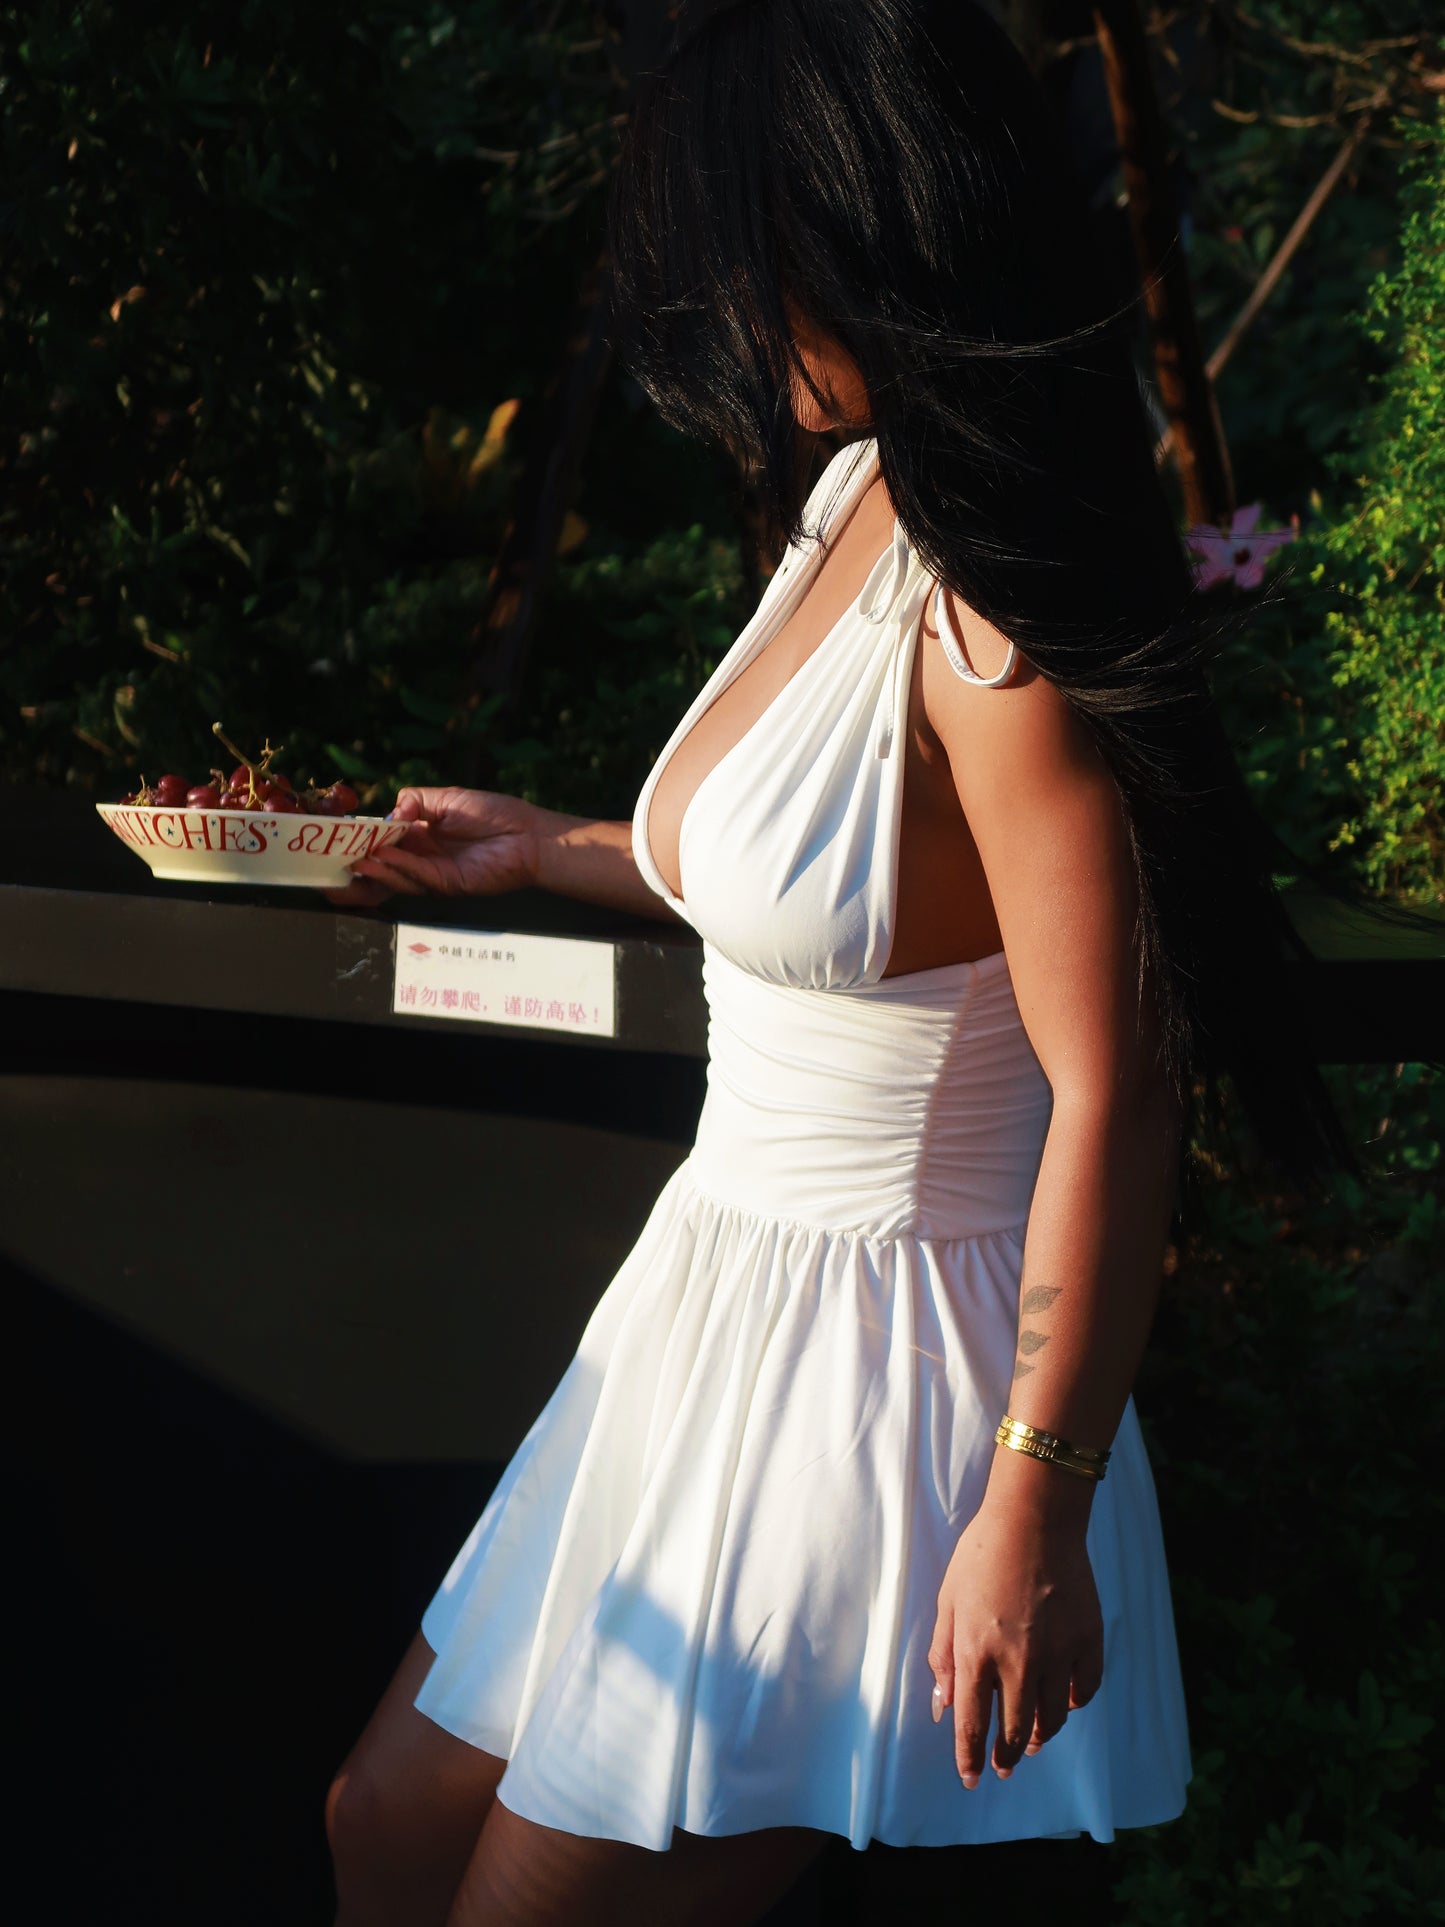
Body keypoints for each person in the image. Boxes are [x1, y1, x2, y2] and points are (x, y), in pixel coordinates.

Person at [323, 4, 1368, 1922]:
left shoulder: (1002, 622)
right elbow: (852, 887)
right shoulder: (849, 498)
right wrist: (553, 848)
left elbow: (1114, 1085)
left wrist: (1032, 1499)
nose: (720, 300)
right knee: (378, 1828)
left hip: (882, 1382)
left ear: (865, 234)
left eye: (744, 247)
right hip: (702, 1313)